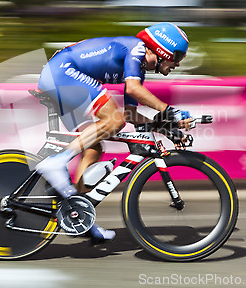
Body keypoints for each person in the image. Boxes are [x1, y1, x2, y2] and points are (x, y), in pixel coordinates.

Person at [36, 22, 192, 244]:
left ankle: (79, 216)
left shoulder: (138, 69)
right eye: (178, 56)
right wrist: (170, 111)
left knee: (93, 148)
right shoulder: (137, 48)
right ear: (163, 49)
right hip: (62, 73)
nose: (177, 63)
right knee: (112, 120)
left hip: (58, 75)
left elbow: (131, 114)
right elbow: (133, 91)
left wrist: (167, 128)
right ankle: (57, 162)